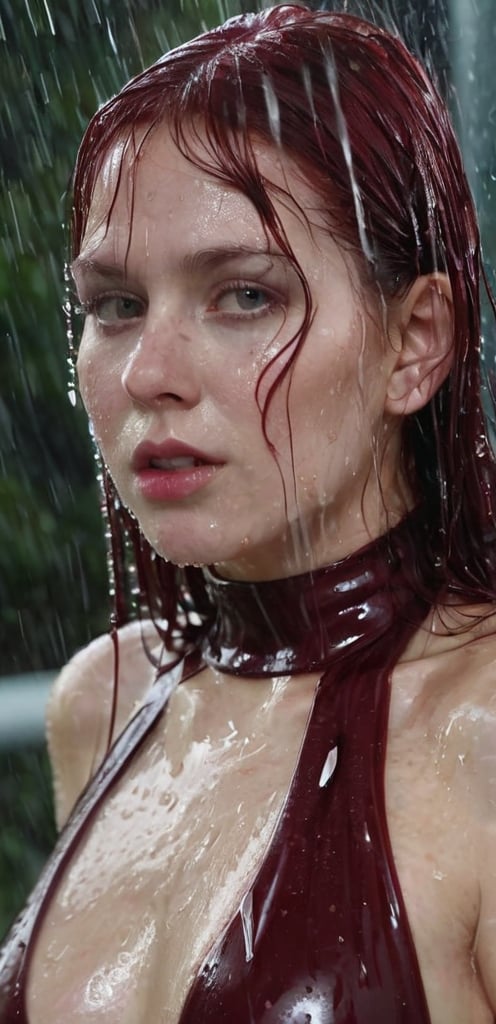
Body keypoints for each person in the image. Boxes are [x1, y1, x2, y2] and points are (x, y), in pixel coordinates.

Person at [1, 4, 496, 1022]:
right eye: (114, 305)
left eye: (244, 297)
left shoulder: (485, 735)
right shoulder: (102, 702)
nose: (149, 373)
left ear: (415, 341)